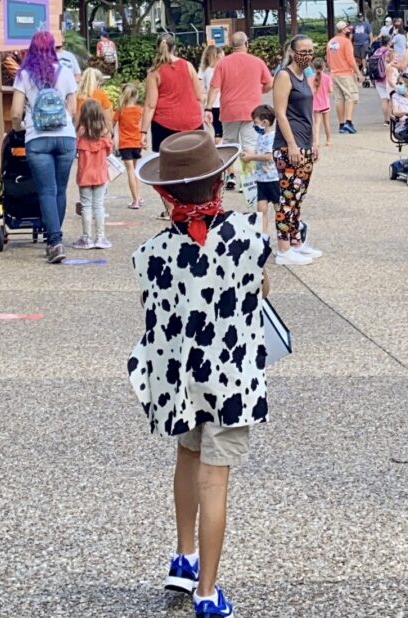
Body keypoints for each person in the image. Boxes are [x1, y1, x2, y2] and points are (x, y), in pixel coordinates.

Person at [128, 132, 272, 618]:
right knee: (216, 479)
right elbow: (260, 288)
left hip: (177, 380)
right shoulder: (250, 234)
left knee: (186, 459)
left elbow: (153, 311)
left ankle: (183, 556)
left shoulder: (150, 254)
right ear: (220, 181)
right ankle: (208, 592)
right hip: (230, 380)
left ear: (164, 193)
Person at [7, 29, 79, 262]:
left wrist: (20, 128)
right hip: (65, 137)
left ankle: (54, 242)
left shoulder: (24, 75)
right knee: (59, 190)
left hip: (37, 138)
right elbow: (74, 109)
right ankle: (56, 238)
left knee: (46, 190)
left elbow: (16, 112)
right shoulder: (66, 72)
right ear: (53, 48)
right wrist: (64, 124)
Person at [270, 34, 322, 265]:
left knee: (298, 195)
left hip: (305, 143)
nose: (308, 55)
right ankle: (283, 248)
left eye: (311, 51)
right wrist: (291, 144)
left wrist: (314, 142)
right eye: (303, 51)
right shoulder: (284, 76)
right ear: (292, 52)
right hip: (288, 145)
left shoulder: (304, 77)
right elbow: (280, 113)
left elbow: (310, 113)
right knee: (288, 196)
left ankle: (296, 241)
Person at [209, 33, 274, 191]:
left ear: (231, 45)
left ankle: (230, 176)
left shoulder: (223, 63)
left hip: (229, 110)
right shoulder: (257, 62)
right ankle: (248, 181)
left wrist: (207, 107)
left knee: (230, 145)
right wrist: (260, 90)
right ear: (246, 43)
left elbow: (214, 87)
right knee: (249, 146)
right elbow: (269, 83)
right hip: (252, 111)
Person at [144, 34, 207, 151]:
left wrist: (143, 131)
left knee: (166, 163)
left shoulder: (154, 72)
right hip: (192, 122)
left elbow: (150, 105)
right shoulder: (188, 66)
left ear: (158, 48)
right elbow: (199, 97)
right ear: (174, 48)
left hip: (164, 124)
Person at [73, 99, 114, 250]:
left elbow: (74, 150)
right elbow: (110, 152)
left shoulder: (81, 137)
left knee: (86, 206)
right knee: (99, 206)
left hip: (84, 176)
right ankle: (101, 237)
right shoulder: (105, 137)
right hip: (100, 176)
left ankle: (86, 238)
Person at [240, 104, 283, 245]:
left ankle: (283, 234)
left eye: (256, 123)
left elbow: (268, 156)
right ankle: (263, 237)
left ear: (265, 122)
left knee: (279, 208)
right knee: (261, 208)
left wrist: (251, 158)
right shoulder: (261, 136)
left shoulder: (272, 137)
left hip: (272, 178)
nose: (254, 126)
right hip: (261, 179)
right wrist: (249, 155)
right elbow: (260, 154)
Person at [326, 20, 362, 134]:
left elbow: (328, 59)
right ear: (343, 30)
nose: (349, 29)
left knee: (339, 99)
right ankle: (348, 122)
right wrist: (358, 73)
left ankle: (341, 124)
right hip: (345, 73)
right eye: (347, 28)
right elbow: (351, 60)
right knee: (351, 97)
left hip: (334, 73)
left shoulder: (331, 42)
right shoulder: (346, 42)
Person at [117, 84, 147, 210]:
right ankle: (137, 196)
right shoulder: (139, 110)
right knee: (134, 170)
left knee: (130, 171)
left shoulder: (120, 111)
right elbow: (142, 126)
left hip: (125, 143)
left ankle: (135, 200)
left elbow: (112, 124)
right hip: (136, 143)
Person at [198, 44, 224, 138]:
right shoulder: (219, 70)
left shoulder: (205, 70)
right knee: (223, 130)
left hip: (212, 104)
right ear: (218, 56)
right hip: (221, 102)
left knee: (217, 130)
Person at [311, 54, 335, 149]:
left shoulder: (311, 78)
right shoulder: (327, 77)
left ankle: (316, 142)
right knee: (326, 123)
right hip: (325, 103)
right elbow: (331, 90)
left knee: (317, 123)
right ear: (324, 66)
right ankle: (328, 140)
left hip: (315, 104)